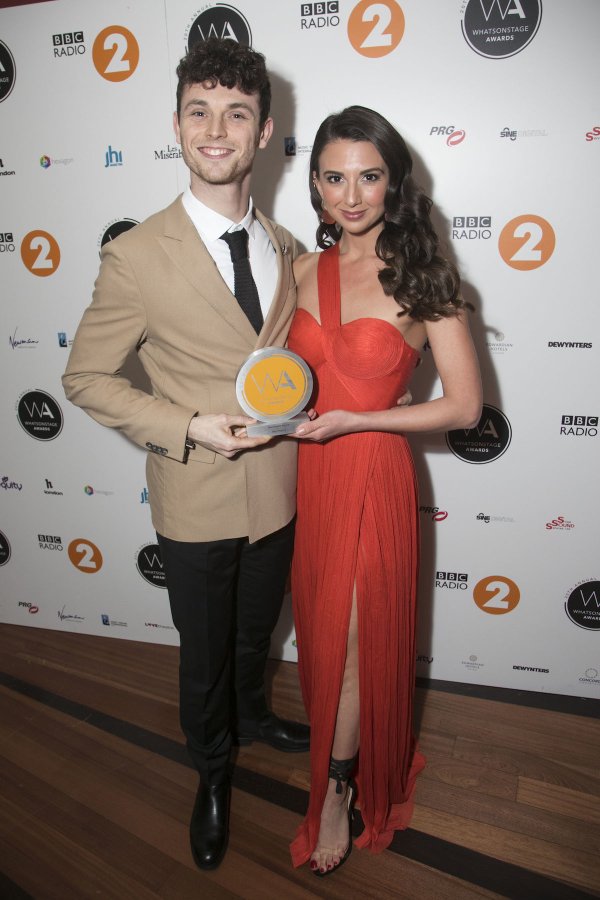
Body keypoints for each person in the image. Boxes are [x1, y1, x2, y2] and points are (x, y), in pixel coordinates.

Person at [62, 38, 310, 872]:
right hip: (193, 495)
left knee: (254, 635)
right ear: (176, 126)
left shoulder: (286, 248)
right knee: (202, 656)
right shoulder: (134, 255)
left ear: (264, 131)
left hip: (278, 489)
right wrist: (185, 425)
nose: (217, 130)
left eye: (236, 114)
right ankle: (212, 772)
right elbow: (87, 377)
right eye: (199, 112)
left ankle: (253, 713)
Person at [287, 106, 482, 875]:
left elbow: (465, 406)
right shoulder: (300, 270)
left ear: (394, 181)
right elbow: (280, 375)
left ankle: (338, 789)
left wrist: (362, 420)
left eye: (369, 176)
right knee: (323, 634)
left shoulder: (423, 274)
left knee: (357, 645)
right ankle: (342, 756)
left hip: (372, 473)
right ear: (315, 183)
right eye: (335, 177)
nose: (352, 194)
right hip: (310, 475)